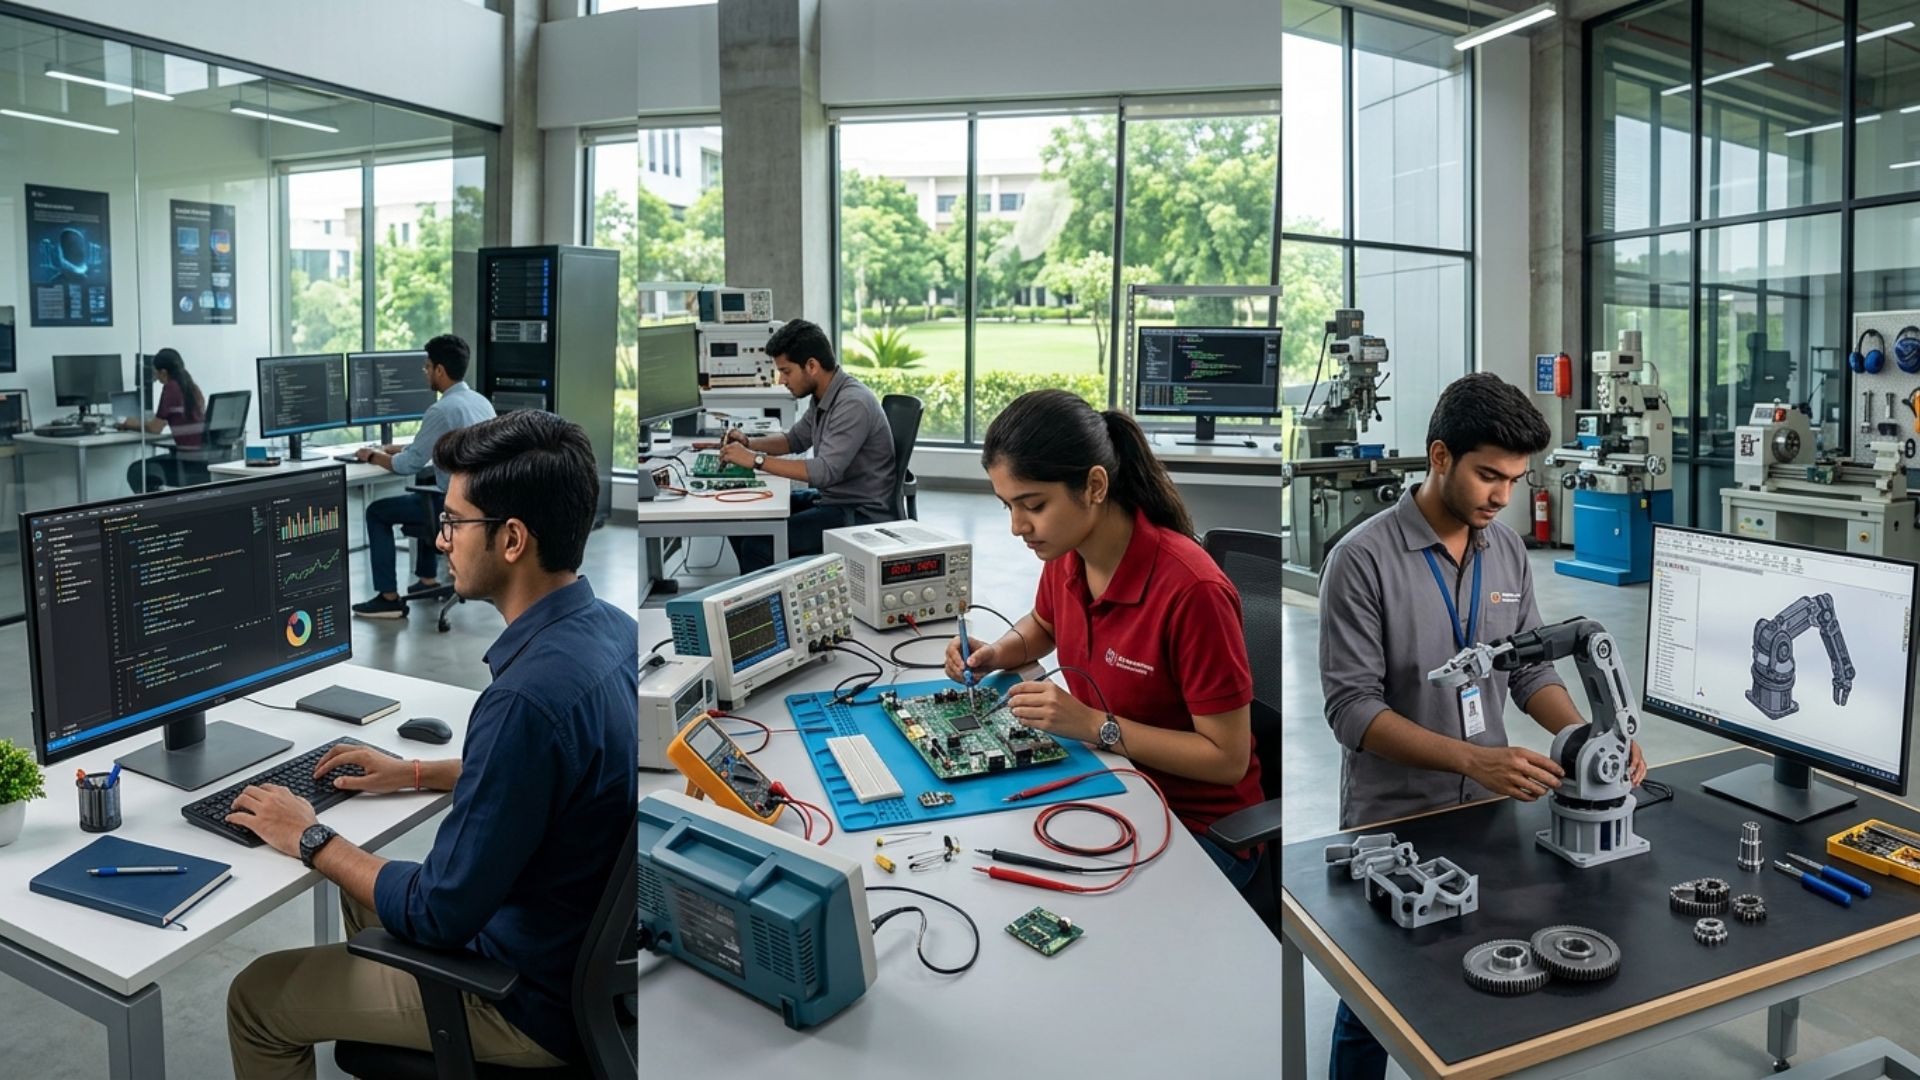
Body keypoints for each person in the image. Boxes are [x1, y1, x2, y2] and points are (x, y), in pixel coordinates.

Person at [224, 410, 636, 1078]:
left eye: (453, 522)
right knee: (361, 885)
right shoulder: (612, 631)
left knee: (257, 999)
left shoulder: (524, 700)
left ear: (511, 539)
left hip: (522, 998)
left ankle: (432, 1019)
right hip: (581, 958)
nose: (441, 540)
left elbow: (439, 911)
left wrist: (307, 836)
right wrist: (411, 772)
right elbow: (553, 772)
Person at [1316, 373, 1648, 1080]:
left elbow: (1529, 670)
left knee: (1484, 985)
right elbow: (1353, 712)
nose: (1504, 496)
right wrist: (1472, 759)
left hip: (1493, 812)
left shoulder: (1504, 551)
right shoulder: (1361, 561)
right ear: (1440, 458)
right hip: (1397, 817)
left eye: (1516, 479)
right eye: (1488, 476)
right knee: (1377, 1002)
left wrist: (1593, 738)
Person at [942, 389, 1261, 885]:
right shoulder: (1068, 553)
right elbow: (1045, 625)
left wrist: (1095, 725)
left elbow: (1227, 759)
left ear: (1094, 486)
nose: (1016, 527)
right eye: (1007, 506)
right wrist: (996, 653)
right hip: (1113, 783)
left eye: (1033, 505)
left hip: (1201, 830)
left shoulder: (1193, 590)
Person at [720, 318, 897, 573]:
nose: (781, 380)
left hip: (858, 514)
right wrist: (748, 443)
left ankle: (763, 608)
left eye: (786, 371)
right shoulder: (824, 395)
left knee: (757, 546)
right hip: (833, 499)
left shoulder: (852, 403)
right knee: (743, 519)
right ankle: (756, 592)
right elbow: (794, 440)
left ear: (811, 366)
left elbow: (824, 471)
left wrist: (755, 459)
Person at [351, 334, 496, 619]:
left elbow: (407, 466)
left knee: (377, 512)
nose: (426, 373)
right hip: (483, 501)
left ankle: (388, 598)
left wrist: (370, 455)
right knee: (428, 484)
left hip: (454, 508)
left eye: (427, 367)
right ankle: (427, 579)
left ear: (440, 370)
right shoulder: (479, 402)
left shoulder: (441, 410)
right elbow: (435, 447)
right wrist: (403, 448)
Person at [120, 349, 206, 491]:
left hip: (187, 463)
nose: (156, 378)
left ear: (164, 372)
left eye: (156, 373)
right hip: (201, 461)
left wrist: (129, 423)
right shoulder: (192, 387)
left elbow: (155, 428)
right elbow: (176, 418)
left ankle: (154, 508)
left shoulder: (171, 388)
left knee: (136, 471)